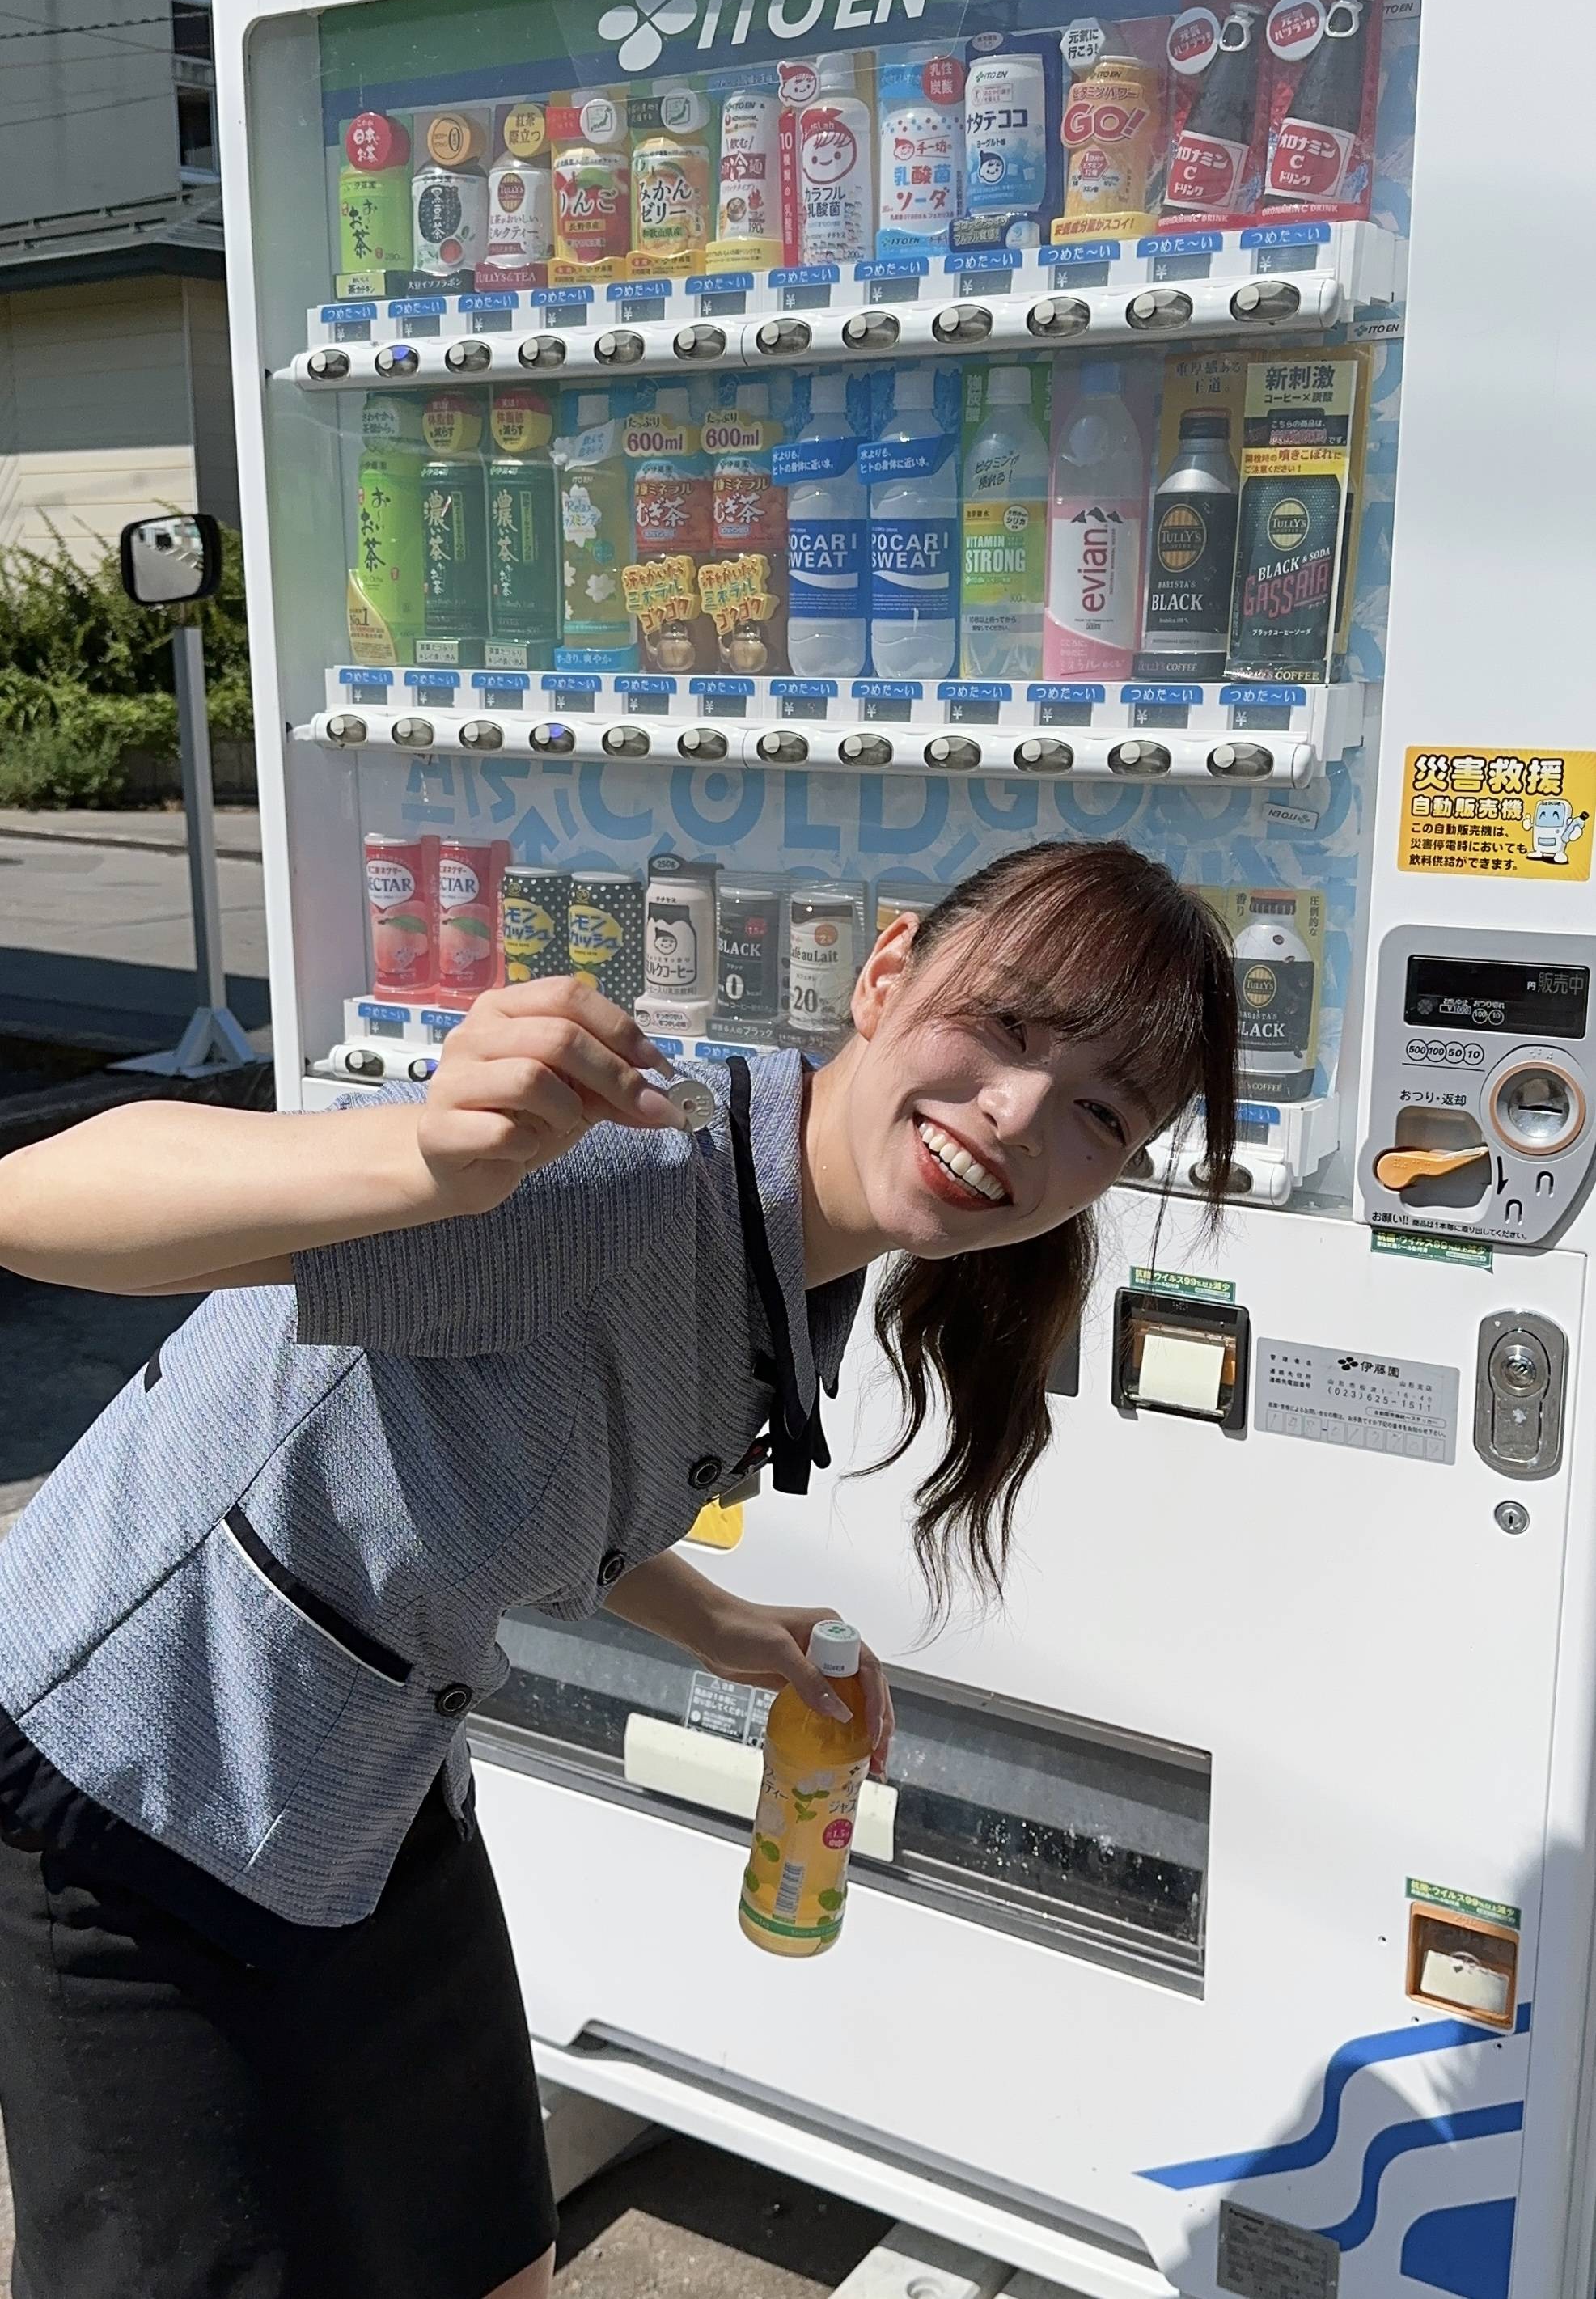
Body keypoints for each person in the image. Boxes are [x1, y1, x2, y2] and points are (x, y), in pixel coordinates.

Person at [0, 837, 1237, 2299]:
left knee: (490, 2260)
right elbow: (40, 1201)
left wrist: (712, 1621)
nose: (1016, 1114)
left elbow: (541, 1437)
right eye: (1008, 1029)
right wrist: (417, 1156)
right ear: (886, 970)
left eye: (1099, 1112)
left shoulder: (807, 1243)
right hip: (130, 1788)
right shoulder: (617, 1171)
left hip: (360, 1798)